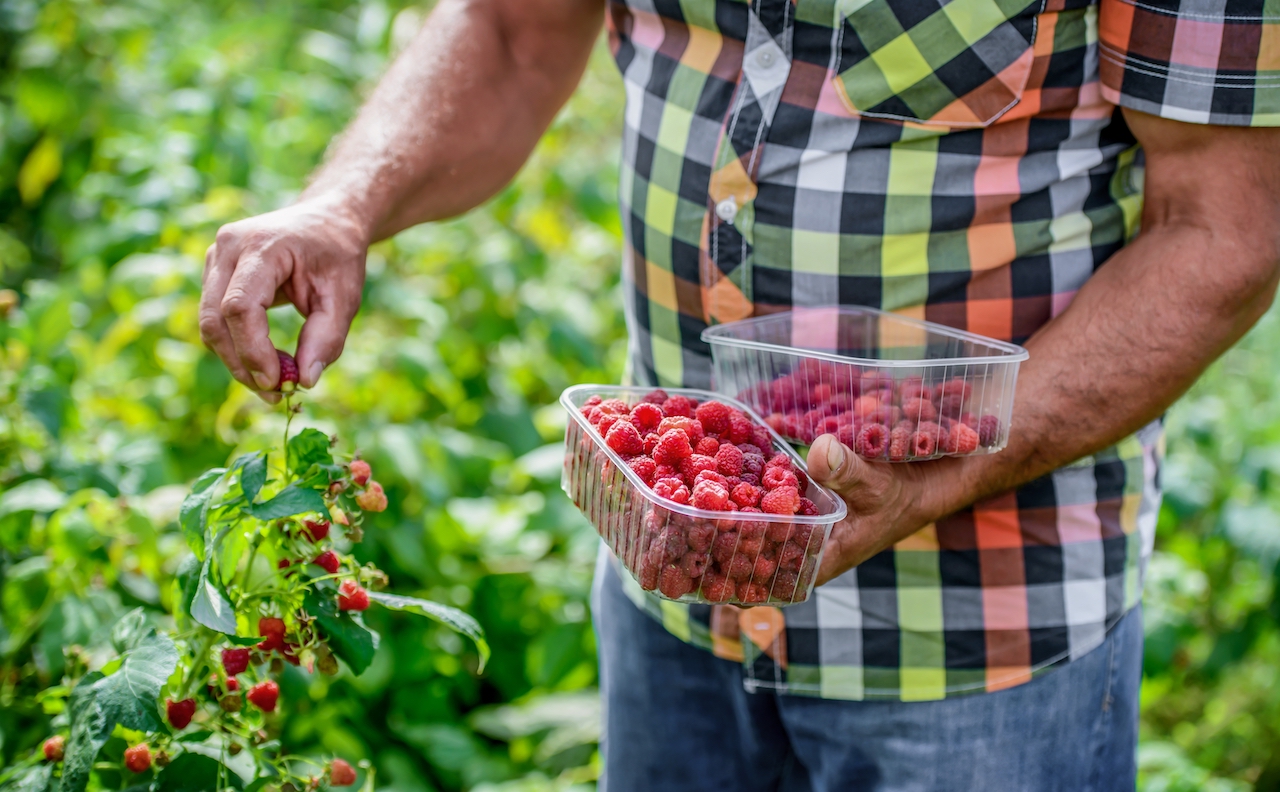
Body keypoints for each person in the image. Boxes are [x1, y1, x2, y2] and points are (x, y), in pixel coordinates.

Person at [198, 1, 1280, 789]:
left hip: (977, 628)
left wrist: (952, 468)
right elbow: (513, 31)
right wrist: (343, 204)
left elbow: (1222, 226)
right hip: (673, 590)